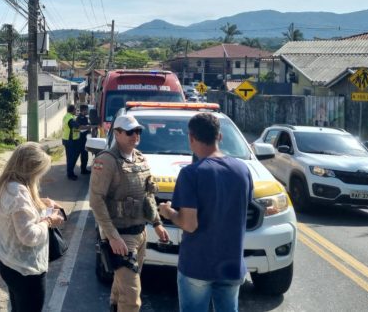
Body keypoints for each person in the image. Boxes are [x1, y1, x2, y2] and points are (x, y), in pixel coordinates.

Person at [158, 113, 253, 312]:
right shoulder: (242, 170)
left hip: (198, 266)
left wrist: (168, 212)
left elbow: (189, 224)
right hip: (232, 264)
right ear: (220, 136)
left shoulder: (191, 174)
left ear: (191, 138)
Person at [89, 113, 169, 312]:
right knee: (132, 296)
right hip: (121, 236)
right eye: (130, 132)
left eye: (138, 131)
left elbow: (148, 195)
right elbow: (96, 201)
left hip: (140, 233)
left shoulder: (140, 158)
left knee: (121, 287)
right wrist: (113, 236)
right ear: (116, 133)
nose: (135, 136)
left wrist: (157, 224)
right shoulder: (107, 161)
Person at [0, 142, 63, 312]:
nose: (39, 177)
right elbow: (29, 236)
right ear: (30, 170)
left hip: (8, 261)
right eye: (39, 172)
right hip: (25, 270)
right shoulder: (19, 193)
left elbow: (20, 213)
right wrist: (49, 221)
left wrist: (41, 203)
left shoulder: (7, 183)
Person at [62, 104, 80, 180]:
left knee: (70, 157)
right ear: (72, 110)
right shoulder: (70, 118)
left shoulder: (67, 116)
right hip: (70, 141)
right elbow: (76, 126)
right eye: (75, 110)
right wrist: (88, 127)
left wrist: (79, 132)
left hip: (67, 139)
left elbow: (72, 129)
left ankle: (70, 173)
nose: (76, 111)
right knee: (71, 158)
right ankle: (70, 175)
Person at [76, 104, 92, 175]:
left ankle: (84, 169)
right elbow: (80, 128)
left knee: (85, 155)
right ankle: (83, 170)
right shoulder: (79, 118)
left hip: (85, 139)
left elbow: (87, 125)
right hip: (81, 140)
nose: (88, 111)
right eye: (87, 110)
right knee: (83, 155)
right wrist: (89, 127)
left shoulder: (84, 117)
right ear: (84, 110)